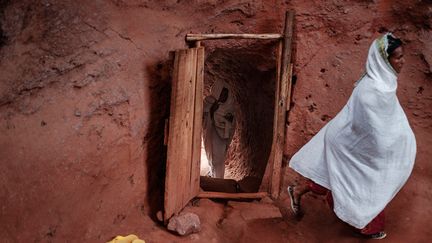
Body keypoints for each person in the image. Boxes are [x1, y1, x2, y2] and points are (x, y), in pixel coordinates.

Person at [287, 33, 416, 240]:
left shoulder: (384, 83)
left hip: (349, 139)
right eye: (397, 57)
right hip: (344, 142)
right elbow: (376, 129)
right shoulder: (370, 91)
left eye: (402, 56)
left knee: (339, 176)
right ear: (384, 60)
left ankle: (298, 190)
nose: (402, 62)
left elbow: (388, 123)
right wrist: (394, 144)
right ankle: (367, 225)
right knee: (364, 180)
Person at [202, 81, 236, 178]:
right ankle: (212, 174)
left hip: (221, 136)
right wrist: (212, 110)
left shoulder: (229, 104)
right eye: (222, 93)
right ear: (217, 92)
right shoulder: (208, 102)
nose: (224, 96)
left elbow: (233, 119)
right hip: (210, 133)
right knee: (211, 155)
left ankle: (218, 179)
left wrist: (229, 119)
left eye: (226, 93)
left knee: (219, 159)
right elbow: (202, 117)